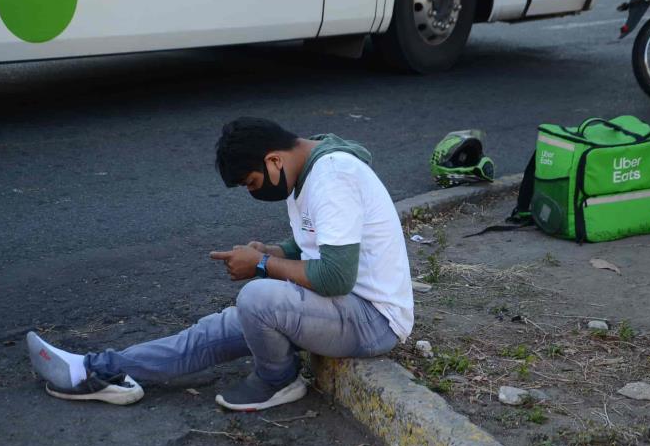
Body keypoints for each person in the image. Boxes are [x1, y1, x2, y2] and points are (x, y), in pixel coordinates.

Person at [26, 117, 414, 411]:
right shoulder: (309, 173)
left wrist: (262, 264)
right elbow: (315, 243)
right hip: (335, 310)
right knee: (213, 331)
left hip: (373, 320)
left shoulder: (332, 178)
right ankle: (96, 370)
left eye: (252, 182)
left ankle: (277, 379)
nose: (253, 191)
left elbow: (335, 276)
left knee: (257, 299)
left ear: (274, 160)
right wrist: (278, 252)